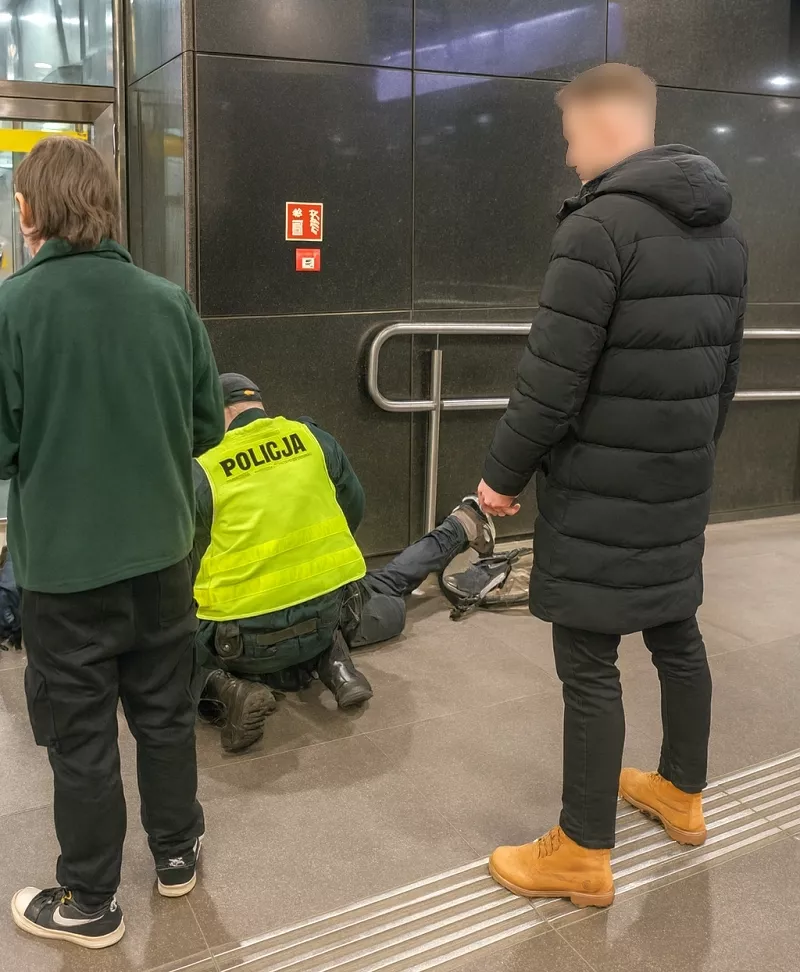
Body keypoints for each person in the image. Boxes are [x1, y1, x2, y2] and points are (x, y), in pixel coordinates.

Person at [477, 64, 747, 907]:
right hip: (677, 480)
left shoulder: (599, 230)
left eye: (567, 132)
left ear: (603, 123)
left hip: (598, 487)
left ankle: (582, 854)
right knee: (676, 631)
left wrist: (498, 478)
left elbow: (551, 380)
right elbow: (727, 375)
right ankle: (682, 794)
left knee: (588, 661)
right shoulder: (724, 234)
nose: (566, 151)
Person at [0, 137, 224, 948]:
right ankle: (177, 853)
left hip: (65, 575)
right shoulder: (169, 301)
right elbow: (205, 427)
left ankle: (90, 900)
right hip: (164, 558)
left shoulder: (12, 308)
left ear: (30, 210)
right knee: (165, 715)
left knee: (81, 735)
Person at [195, 374, 496, 753]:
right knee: (383, 596)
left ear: (219, 412)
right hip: (329, 618)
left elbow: (183, 556)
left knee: (166, 659)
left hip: (242, 645)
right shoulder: (310, 439)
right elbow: (353, 506)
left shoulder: (205, 467)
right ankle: (334, 662)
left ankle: (230, 691)